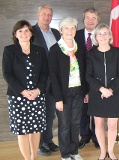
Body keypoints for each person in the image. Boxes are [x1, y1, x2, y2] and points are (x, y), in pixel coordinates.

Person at [2, 20, 48, 160]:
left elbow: (45, 73)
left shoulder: (39, 51)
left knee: (35, 129)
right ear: (15, 34)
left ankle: (34, 157)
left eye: (26, 30)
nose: (23, 34)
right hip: (18, 97)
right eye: (20, 31)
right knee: (22, 131)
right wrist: (22, 91)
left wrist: (38, 90)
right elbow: (7, 73)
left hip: (37, 96)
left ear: (31, 33)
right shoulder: (9, 50)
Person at [48, 17, 87, 160]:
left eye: (72, 28)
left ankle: (74, 152)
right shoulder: (55, 50)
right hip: (63, 94)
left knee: (75, 123)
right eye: (66, 28)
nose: (70, 31)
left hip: (78, 92)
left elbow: (85, 71)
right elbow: (53, 76)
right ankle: (65, 154)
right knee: (64, 125)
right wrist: (58, 98)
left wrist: (85, 91)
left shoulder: (80, 48)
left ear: (76, 30)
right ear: (61, 31)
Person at [86, 23, 119, 160]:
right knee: (99, 124)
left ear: (110, 36)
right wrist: (102, 89)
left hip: (113, 94)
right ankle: (103, 152)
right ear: (96, 37)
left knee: (113, 125)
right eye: (99, 33)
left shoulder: (117, 52)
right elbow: (88, 76)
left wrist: (110, 89)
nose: (102, 36)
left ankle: (111, 151)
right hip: (97, 94)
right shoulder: (91, 54)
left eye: (105, 33)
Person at [32, 5, 61, 156]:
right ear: (38, 15)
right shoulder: (30, 32)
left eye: (50, 14)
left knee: (50, 112)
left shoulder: (56, 33)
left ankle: (48, 140)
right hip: (39, 80)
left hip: (54, 79)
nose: (47, 17)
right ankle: (40, 143)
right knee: (39, 113)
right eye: (44, 14)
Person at [75, 7, 100, 149]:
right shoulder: (75, 35)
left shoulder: (102, 35)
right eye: (88, 18)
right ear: (83, 19)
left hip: (97, 81)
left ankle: (97, 136)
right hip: (79, 81)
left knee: (96, 111)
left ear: (98, 21)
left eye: (93, 18)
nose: (90, 21)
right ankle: (84, 136)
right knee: (82, 111)